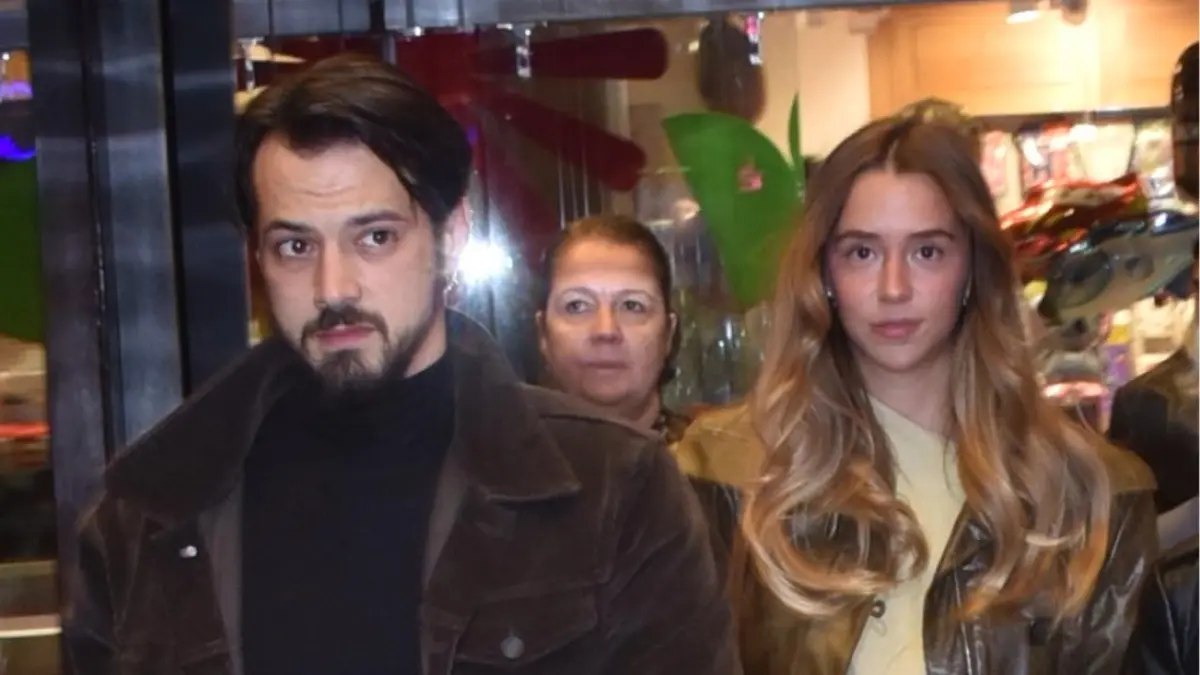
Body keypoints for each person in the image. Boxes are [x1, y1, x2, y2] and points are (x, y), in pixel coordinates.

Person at [62, 54, 738, 675]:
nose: (333, 287)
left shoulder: (614, 487)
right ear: (258, 260)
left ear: (451, 236)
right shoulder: (146, 516)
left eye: (375, 237)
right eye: (296, 246)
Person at [679, 117, 1156, 675]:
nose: (894, 288)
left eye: (927, 252)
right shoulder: (728, 469)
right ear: (823, 271)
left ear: (973, 269)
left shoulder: (1092, 494)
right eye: (862, 253)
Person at [536, 215, 689, 444]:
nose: (606, 331)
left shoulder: (718, 460)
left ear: (668, 333)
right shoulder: (495, 461)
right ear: (543, 333)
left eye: (632, 306)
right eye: (577, 306)